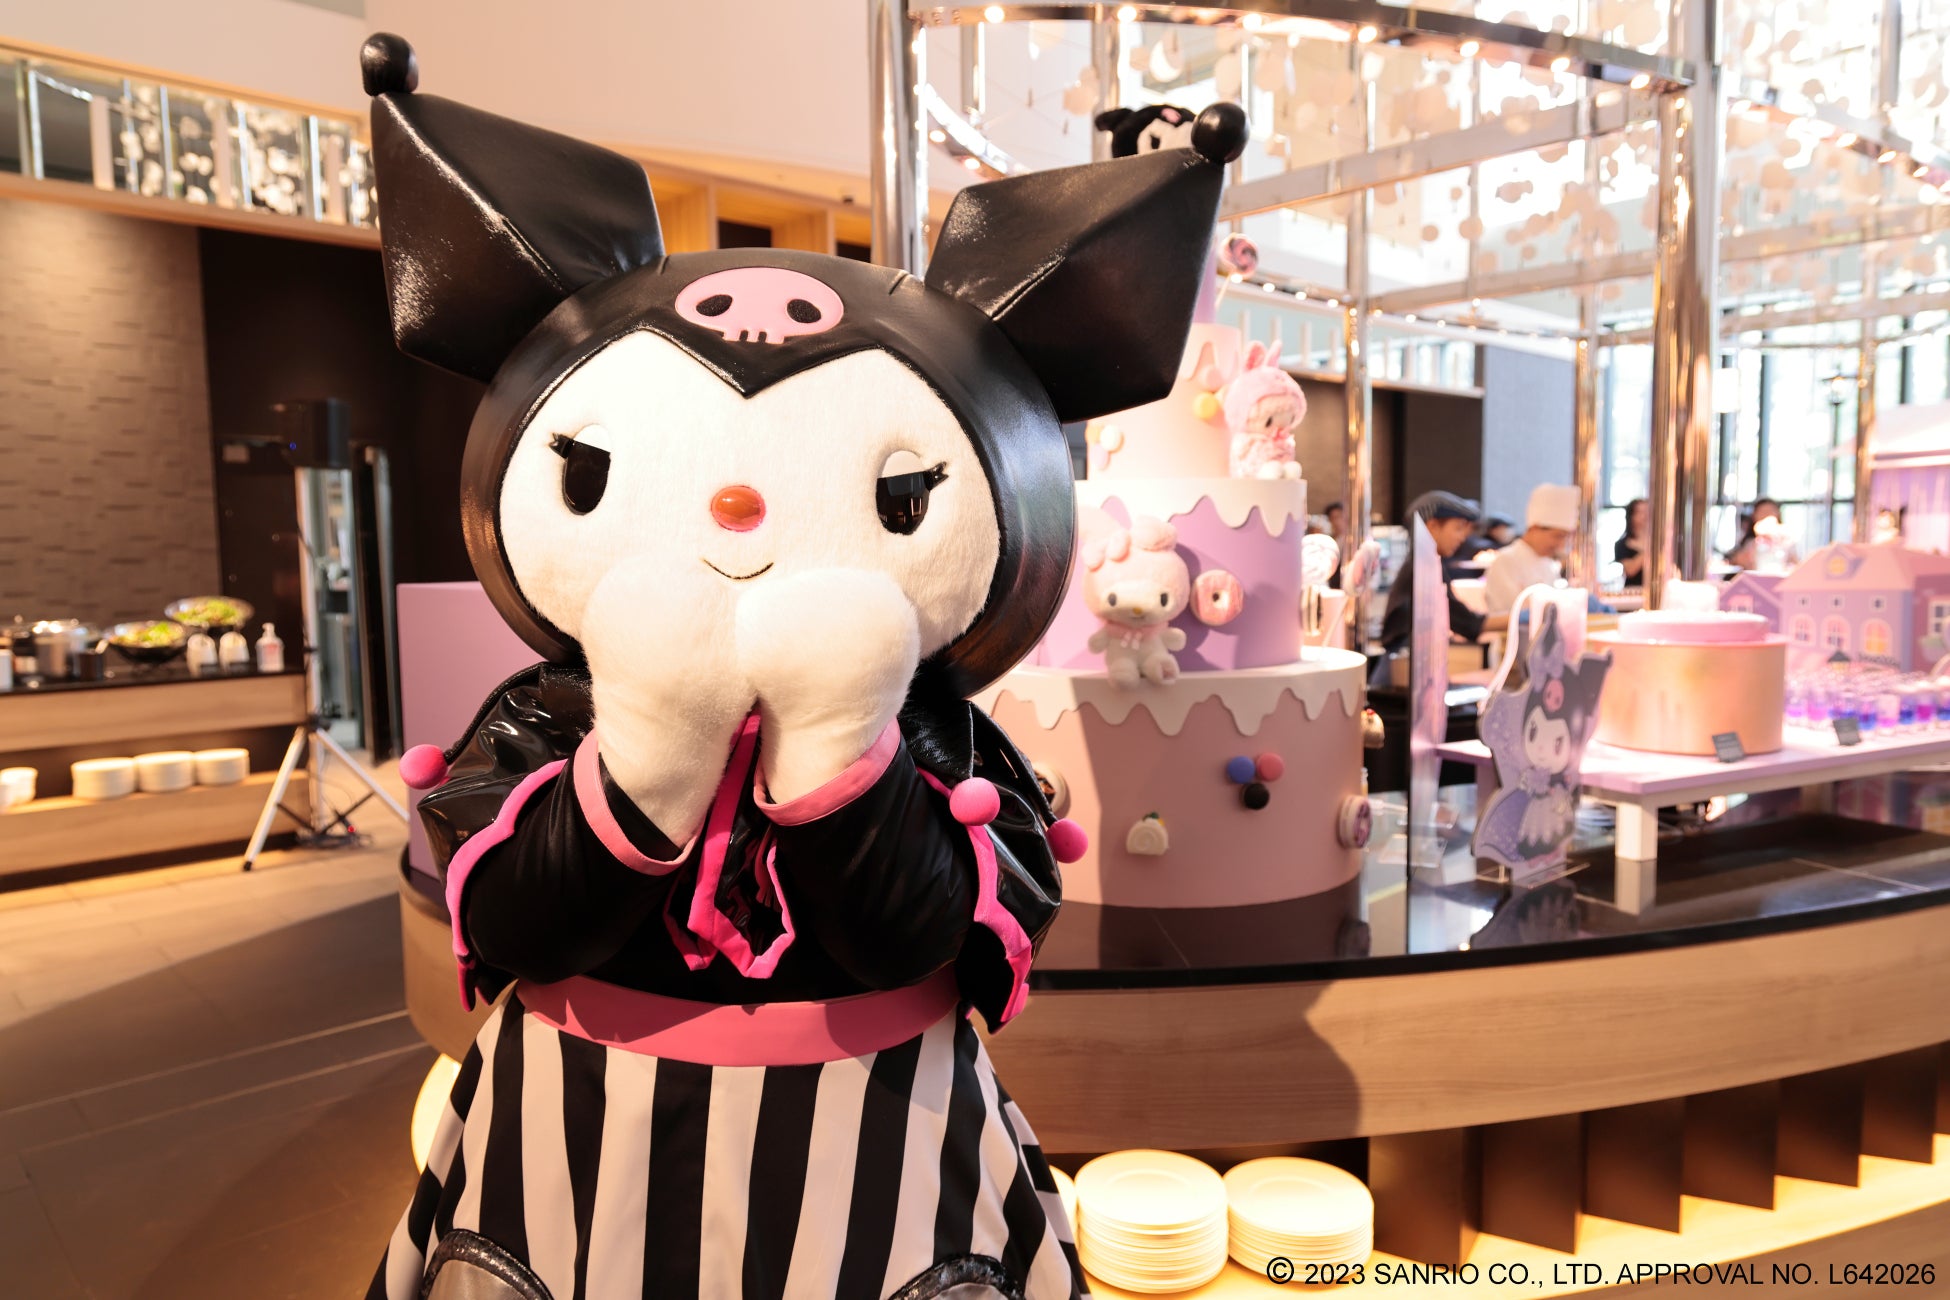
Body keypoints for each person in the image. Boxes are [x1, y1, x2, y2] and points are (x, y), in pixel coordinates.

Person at [358, 33, 1243, 1300]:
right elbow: (513, 921)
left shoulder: (939, 737)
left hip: (877, 1143)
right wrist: (646, 749)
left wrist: (840, 742)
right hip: (576, 1134)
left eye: (899, 496)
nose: (739, 513)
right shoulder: (549, 716)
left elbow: (916, 938)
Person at [1381, 491, 1508, 656]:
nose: (1463, 537)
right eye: (1458, 528)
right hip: (1401, 666)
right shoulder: (1421, 570)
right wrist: (1522, 617)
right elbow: (1468, 623)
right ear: (1432, 526)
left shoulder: (1428, 564)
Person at [1485, 484, 1578, 616]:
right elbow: (1509, 612)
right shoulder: (1506, 560)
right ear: (1534, 528)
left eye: (1566, 538)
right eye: (1558, 536)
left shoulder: (1549, 564)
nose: (1561, 545)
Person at [1614, 497, 1647, 586]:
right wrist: (1648, 550)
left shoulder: (1659, 544)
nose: (1645, 516)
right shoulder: (1622, 545)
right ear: (1631, 516)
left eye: (1647, 512)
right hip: (1632, 590)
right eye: (1640, 512)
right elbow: (1630, 571)